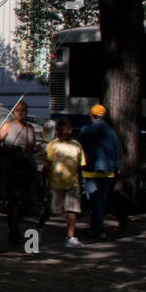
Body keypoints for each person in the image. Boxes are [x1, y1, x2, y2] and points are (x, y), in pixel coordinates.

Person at [0, 101, 42, 245]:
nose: (21, 113)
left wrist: (35, 149)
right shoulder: (7, 125)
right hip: (11, 167)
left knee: (30, 202)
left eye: (23, 110)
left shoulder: (30, 128)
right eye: (17, 110)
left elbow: (31, 147)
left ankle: (13, 225)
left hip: (26, 167)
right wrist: (9, 150)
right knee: (14, 200)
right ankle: (13, 230)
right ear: (14, 112)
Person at [79, 104, 123, 239]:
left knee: (95, 200)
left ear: (92, 115)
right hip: (108, 171)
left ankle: (100, 231)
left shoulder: (86, 129)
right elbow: (116, 150)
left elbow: (79, 148)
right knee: (101, 201)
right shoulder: (111, 131)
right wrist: (116, 167)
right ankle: (94, 228)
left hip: (91, 171)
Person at [42, 120, 86, 248]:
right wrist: (45, 181)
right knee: (51, 209)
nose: (60, 132)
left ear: (70, 130)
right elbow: (47, 165)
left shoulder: (77, 146)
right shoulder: (53, 145)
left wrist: (80, 180)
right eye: (58, 129)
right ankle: (38, 228)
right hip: (56, 182)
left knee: (72, 210)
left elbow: (80, 165)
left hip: (72, 183)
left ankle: (70, 237)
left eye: (63, 129)